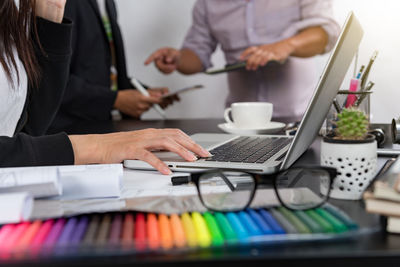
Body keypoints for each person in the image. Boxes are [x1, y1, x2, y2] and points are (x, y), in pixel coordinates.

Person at [0, 0, 210, 175]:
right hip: (70, 131)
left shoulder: (25, 9)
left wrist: (52, 18)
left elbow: (29, 125)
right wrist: (98, 143)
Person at [145, 0, 341, 121]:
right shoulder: (207, 4)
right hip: (241, 122)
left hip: (302, 116)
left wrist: (286, 46)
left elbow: (325, 34)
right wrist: (177, 59)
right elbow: (196, 55)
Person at [48, 0, 178, 133]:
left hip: (100, 129)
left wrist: (143, 93)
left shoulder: (108, 3)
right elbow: (52, 81)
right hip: (67, 133)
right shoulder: (64, 3)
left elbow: (101, 73)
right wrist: (115, 100)